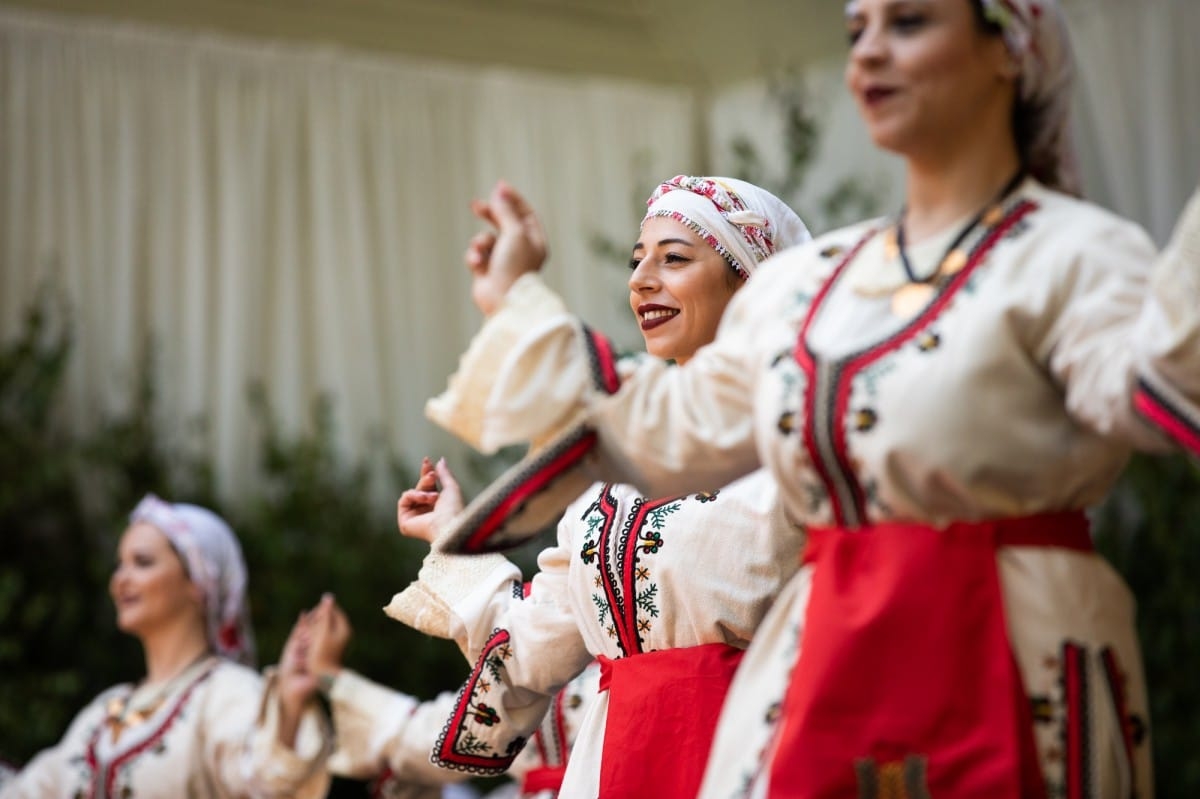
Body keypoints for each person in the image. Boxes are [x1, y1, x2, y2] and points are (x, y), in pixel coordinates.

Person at [420, 1, 1200, 796]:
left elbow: (1159, 385)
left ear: (1011, 50)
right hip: (829, 693)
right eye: (857, 30)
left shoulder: (1075, 254)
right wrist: (519, 301)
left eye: (910, 23)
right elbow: (660, 430)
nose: (869, 53)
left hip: (1008, 659)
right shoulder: (813, 285)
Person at [388, 175, 813, 799]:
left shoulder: (801, 444)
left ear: (751, 280)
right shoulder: (608, 484)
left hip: (755, 758)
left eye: (674, 257)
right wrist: (456, 539)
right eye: (636, 260)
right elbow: (533, 652)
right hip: (618, 768)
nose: (641, 279)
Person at [0, 494, 331, 798]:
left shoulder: (227, 694)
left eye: (142, 562)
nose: (120, 580)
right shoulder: (103, 712)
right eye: (120, 564)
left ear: (198, 584)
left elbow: (268, 778)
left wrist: (288, 707)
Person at [286, 592, 600, 799]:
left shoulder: (617, 657)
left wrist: (331, 676)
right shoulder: (554, 611)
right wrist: (330, 676)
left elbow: (431, 737)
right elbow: (452, 731)